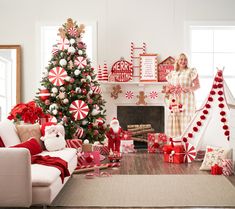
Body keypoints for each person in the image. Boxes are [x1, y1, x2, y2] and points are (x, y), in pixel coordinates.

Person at [164, 53, 200, 138]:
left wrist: (188, 89)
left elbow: (197, 85)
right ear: (177, 61)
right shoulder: (173, 73)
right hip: (175, 99)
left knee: (186, 119)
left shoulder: (191, 71)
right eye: (181, 59)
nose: (183, 61)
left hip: (187, 99)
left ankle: (186, 142)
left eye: (185, 59)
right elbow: (169, 85)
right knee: (176, 118)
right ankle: (176, 143)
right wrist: (168, 91)